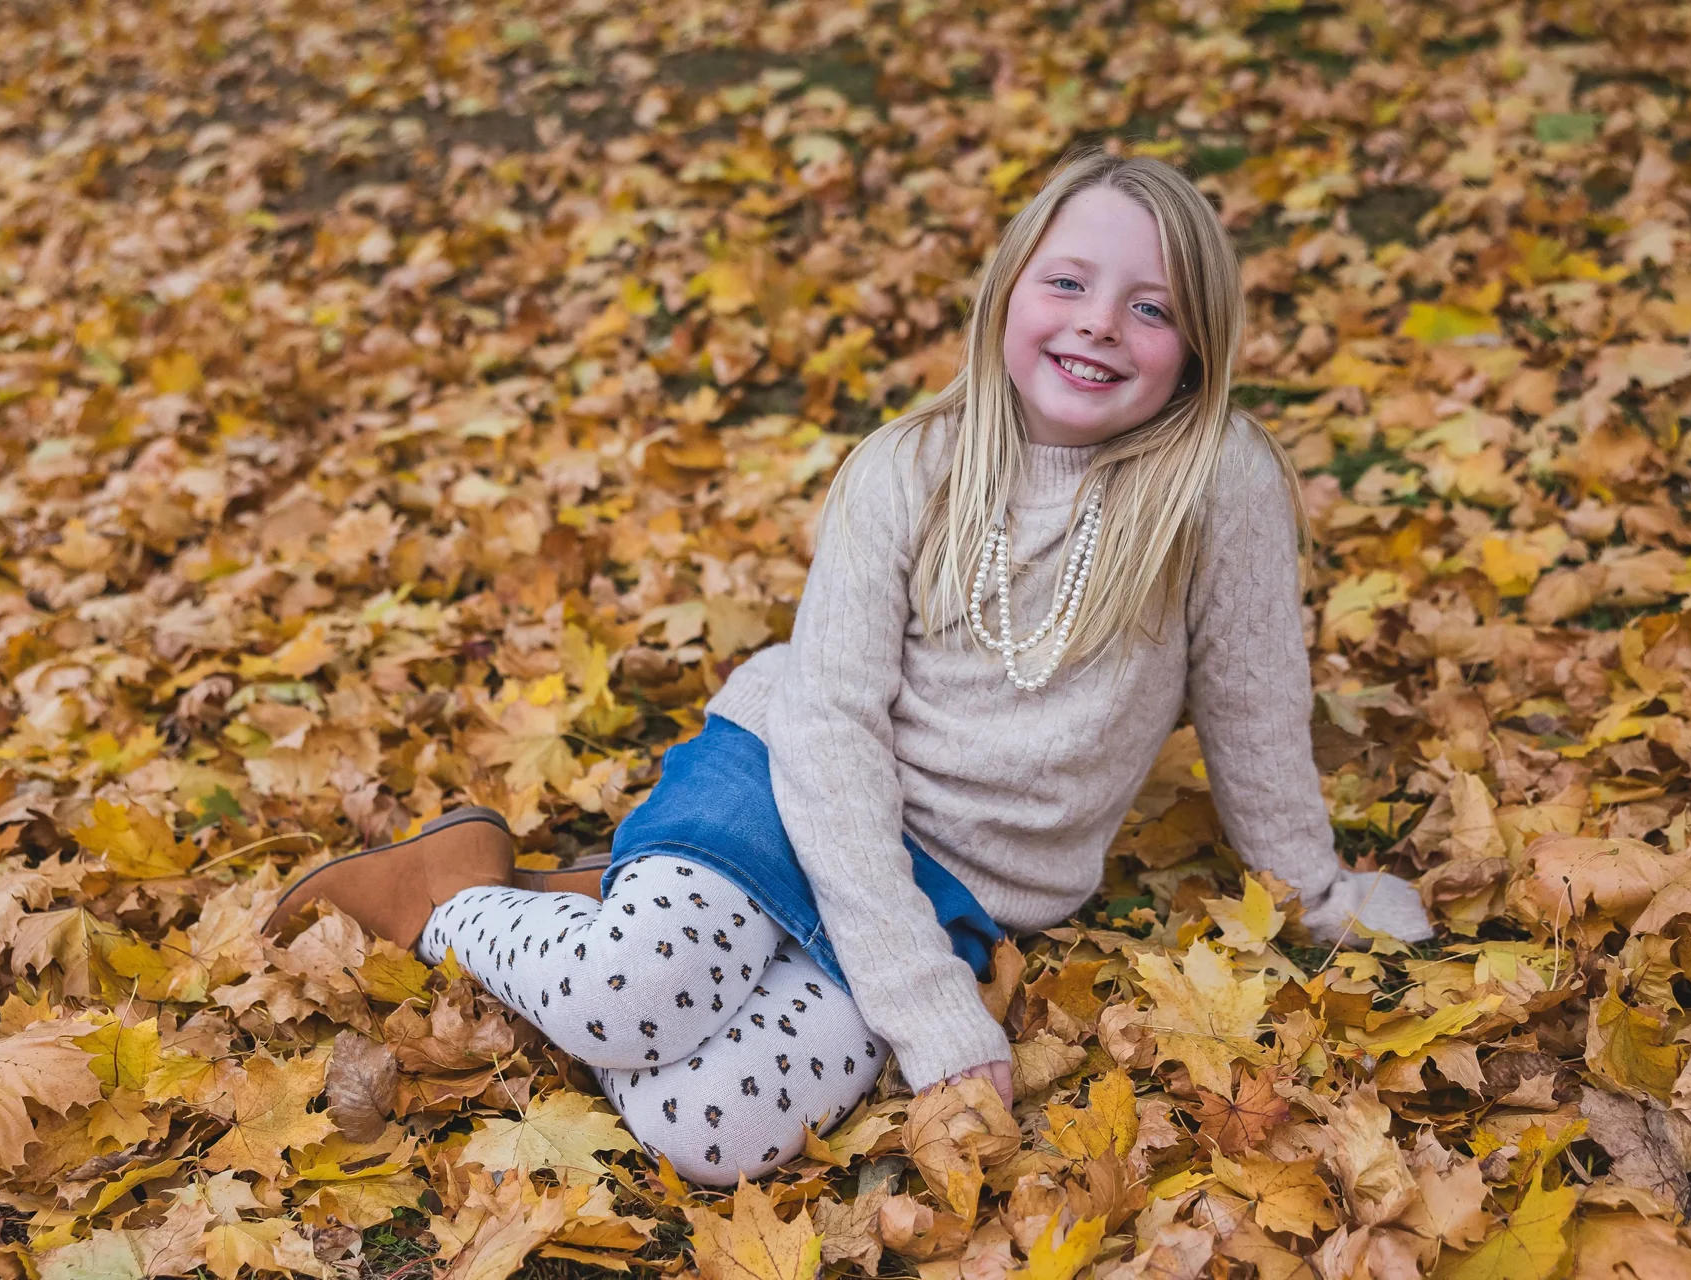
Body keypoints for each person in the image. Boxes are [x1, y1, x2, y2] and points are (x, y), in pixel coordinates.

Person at [263, 146, 1433, 1186]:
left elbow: (1254, 702)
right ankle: (457, 900)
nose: (1098, 324)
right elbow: (829, 733)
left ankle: (632, 909)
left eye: (1151, 307)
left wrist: (1315, 891)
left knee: (705, 1127)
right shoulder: (907, 468)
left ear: (1196, 351)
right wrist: (926, 1006)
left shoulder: (1214, 481)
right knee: (633, 995)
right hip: (790, 781)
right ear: (1009, 291)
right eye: (1067, 283)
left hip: (956, 883)